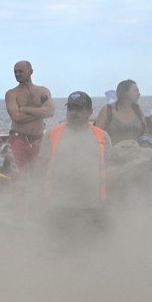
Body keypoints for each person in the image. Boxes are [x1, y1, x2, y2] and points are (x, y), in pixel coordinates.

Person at [45, 91, 111, 232]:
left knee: (94, 244)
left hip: (93, 204)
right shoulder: (51, 134)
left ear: (90, 111)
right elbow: (40, 168)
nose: (74, 113)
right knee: (60, 244)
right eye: (71, 108)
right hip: (59, 203)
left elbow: (109, 169)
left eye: (79, 109)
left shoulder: (102, 136)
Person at [4, 60, 55, 176]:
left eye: (20, 71)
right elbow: (16, 117)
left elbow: (51, 111)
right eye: (15, 72)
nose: (17, 74)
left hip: (38, 138)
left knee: (40, 175)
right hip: (18, 139)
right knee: (18, 176)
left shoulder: (42, 91)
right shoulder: (12, 94)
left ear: (31, 72)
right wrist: (41, 112)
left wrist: (24, 109)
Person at [93, 79, 147, 144]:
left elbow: (145, 133)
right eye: (135, 91)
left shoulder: (138, 110)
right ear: (124, 93)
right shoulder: (108, 110)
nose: (139, 94)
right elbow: (97, 135)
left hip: (137, 148)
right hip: (113, 149)